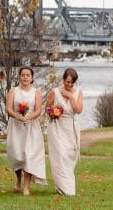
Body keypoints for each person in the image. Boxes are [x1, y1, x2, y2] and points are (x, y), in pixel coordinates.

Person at [5, 66, 47, 195]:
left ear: (32, 77)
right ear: (19, 76)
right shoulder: (13, 91)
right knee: (16, 155)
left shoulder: (37, 92)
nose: (25, 77)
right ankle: (18, 179)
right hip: (16, 126)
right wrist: (17, 115)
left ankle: (26, 186)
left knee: (29, 154)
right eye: (23, 75)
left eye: (28, 75)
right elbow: (8, 108)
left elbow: (38, 110)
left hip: (31, 127)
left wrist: (28, 117)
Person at [45, 67, 84, 195]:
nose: (69, 85)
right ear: (63, 79)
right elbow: (47, 108)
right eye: (67, 82)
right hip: (56, 127)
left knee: (69, 156)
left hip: (71, 128)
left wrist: (71, 97)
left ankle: (60, 185)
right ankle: (66, 189)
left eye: (72, 82)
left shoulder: (78, 93)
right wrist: (53, 113)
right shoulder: (54, 92)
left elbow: (78, 110)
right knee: (60, 155)